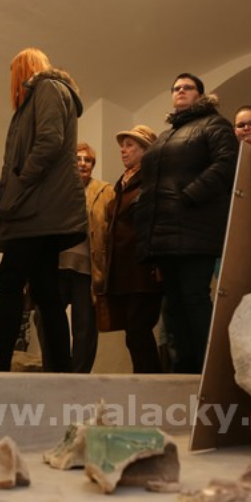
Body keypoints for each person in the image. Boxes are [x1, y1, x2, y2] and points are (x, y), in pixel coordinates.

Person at [0, 47, 87, 373]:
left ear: (23, 71)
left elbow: (49, 141)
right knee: (46, 291)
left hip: (36, 210)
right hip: (40, 210)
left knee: (8, 281)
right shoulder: (44, 95)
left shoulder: (46, 88)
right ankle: (62, 371)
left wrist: (19, 183)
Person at [134, 74, 238, 373]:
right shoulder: (165, 136)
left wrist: (190, 196)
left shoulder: (214, 124)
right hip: (165, 232)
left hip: (195, 227)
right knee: (174, 303)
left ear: (200, 95)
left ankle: (208, 370)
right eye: (176, 88)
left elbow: (226, 164)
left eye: (187, 87)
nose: (180, 91)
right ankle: (184, 368)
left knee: (194, 297)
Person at [92, 125, 166, 373]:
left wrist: (156, 264)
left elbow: (155, 225)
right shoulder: (123, 185)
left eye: (130, 145)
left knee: (138, 331)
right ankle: (146, 382)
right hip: (124, 272)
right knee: (133, 333)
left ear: (146, 150)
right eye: (122, 146)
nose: (123, 150)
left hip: (143, 271)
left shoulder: (152, 182)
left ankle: (150, 384)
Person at [56, 143, 111, 373]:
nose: (82, 164)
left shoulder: (104, 191)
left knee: (85, 326)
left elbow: (109, 229)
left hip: (87, 270)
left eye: (87, 160)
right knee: (49, 320)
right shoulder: (58, 188)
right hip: (57, 266)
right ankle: (55, 371)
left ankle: (79, 376)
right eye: (78, 159)